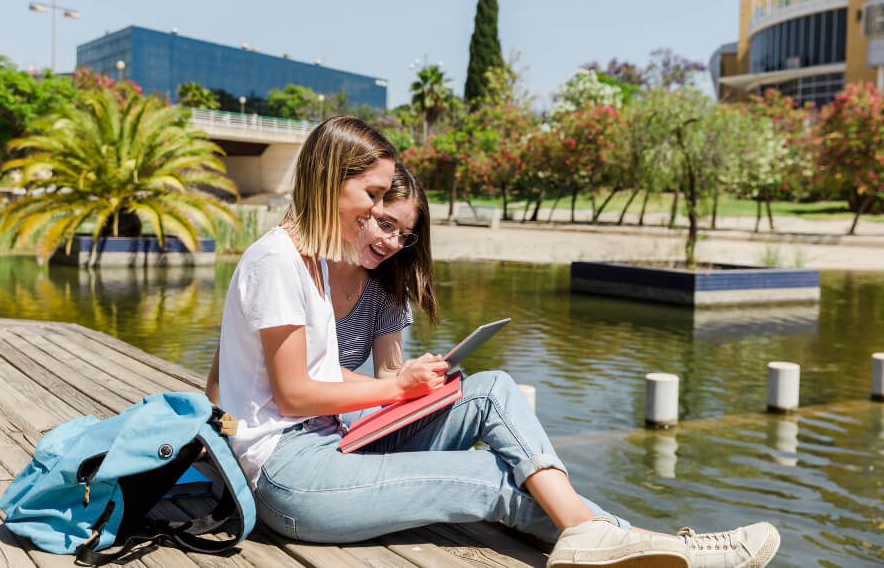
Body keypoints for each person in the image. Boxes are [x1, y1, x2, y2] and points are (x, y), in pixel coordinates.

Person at [206, 116, 779, 568]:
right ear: (334, 179)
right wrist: (394, 385)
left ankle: (617, 540)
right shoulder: (276, 260)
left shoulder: (318, 265)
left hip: (328, 448)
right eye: (374, 194)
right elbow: (294, 395)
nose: (379, 211)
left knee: (492, 390)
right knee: (488, 477)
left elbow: (321, 376)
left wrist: (405, 389)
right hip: (290, 478)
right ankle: (658, 546)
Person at [328, 161, 436, 379]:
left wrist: (412, 375)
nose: (394, 243)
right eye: (386, 224)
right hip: (274, 409)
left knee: (491, 386)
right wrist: (398, 386)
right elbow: (304, 374)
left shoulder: (387, 290)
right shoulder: (300, 269)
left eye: (405, 235)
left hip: (336, 411)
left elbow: (388, 372)